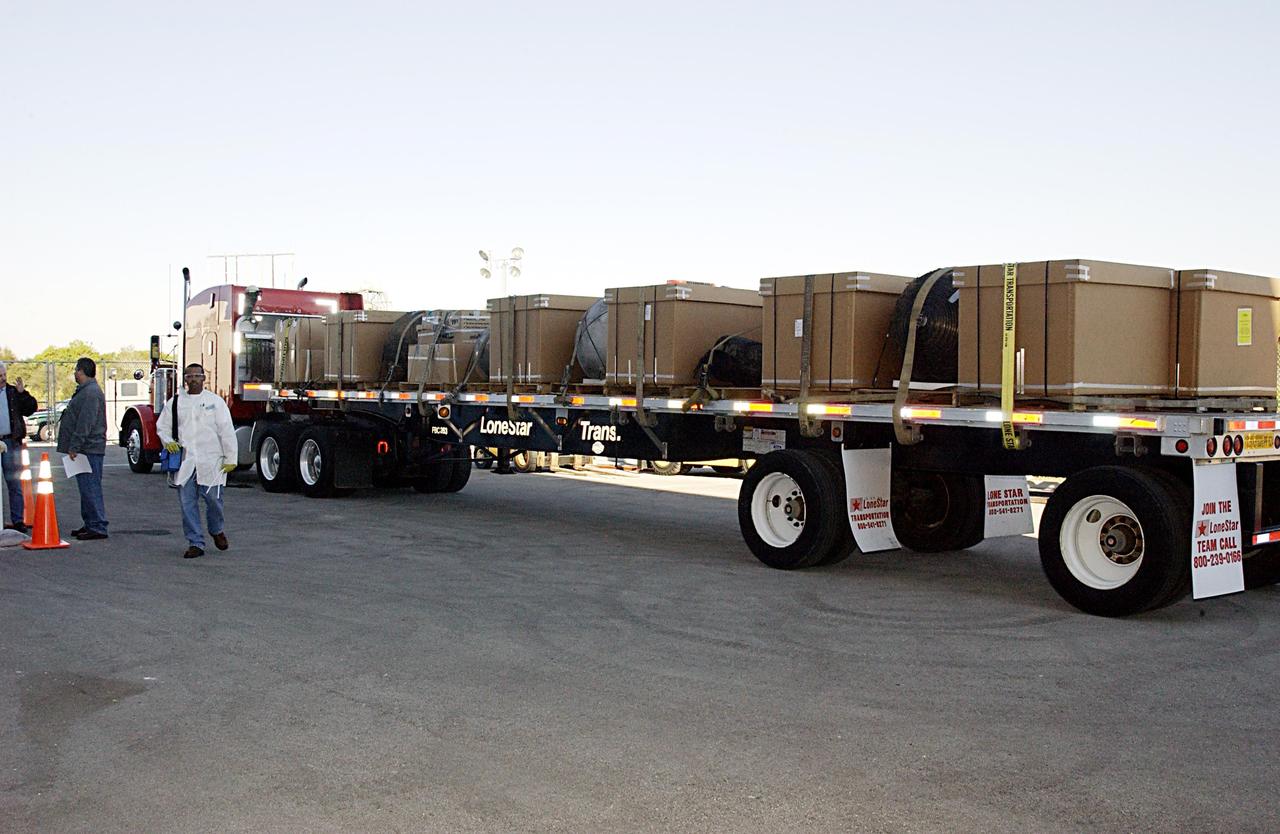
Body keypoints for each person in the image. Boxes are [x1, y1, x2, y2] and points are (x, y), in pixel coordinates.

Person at [157, 363, 237, 559]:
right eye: (189, 376)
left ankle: (216, 529)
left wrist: (231, 457)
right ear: (185, 379)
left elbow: (226, 431)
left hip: (212, 460)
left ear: (203, 378)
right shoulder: (175, 403)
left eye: (197, 376)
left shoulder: (215, 402)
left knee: (213, 501)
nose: (193, 379)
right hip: (186, 461)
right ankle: (195, 542)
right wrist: (168, 442)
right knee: (187, 504)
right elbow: (163, 427)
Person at [57, 357, 109, 540]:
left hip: (89, 450)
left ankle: (98, 526)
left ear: (81, 371)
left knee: (90, 487)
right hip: (85, 450)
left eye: (75, 370)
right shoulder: (86, 391)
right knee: (85, 488)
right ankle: (90, 523)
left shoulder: (91, 393)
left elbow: (85, 422)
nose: (74, 374)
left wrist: (75, 446)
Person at [0, 362, 39, 533]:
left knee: (14, 483)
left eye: (4, 375)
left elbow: (31, 408)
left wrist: (23, 394)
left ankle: (17, 521)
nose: (2, 379)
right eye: (0, 376)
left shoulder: (13, 392)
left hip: (10, 443)